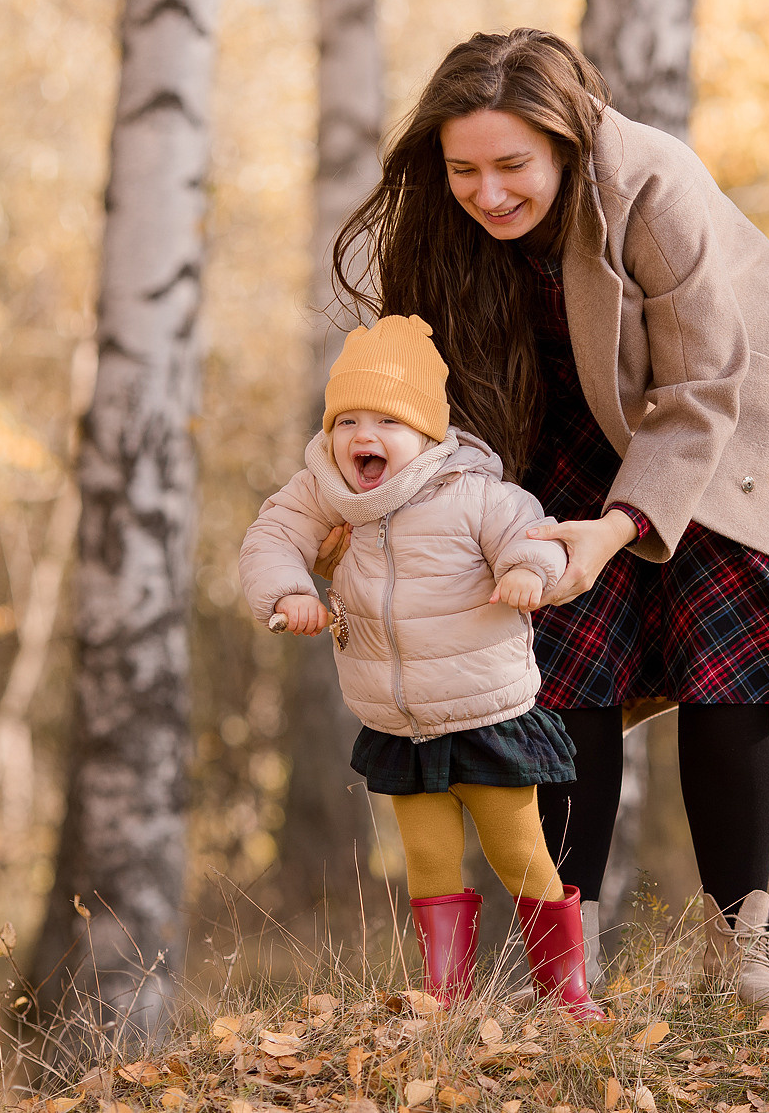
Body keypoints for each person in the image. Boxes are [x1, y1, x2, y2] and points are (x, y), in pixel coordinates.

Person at [330, 29, 769, 1019]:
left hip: (720, 439)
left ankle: (744, 953)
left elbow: (703, 388)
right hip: (566, 439)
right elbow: (421, 404)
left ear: (567, 144)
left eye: (511, 167)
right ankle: (561, 974)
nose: (487, 194)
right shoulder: (442, 232)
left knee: (726, 673)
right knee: (563, 674)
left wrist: (617, 528)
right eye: (464, 170)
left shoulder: (653, 183)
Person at [239, 314, 603, 1018]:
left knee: (519, 850)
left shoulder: (470, 492)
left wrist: (529, 571)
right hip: (399, 722)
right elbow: (272, 538)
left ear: (428, 434)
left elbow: (531, 534)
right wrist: (289, 590)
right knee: (429, 860)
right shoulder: (323, 490)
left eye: (385, 420)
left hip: (486, 713)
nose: (361, 437)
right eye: (345, 420)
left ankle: (566, 993)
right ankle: (447, 998)